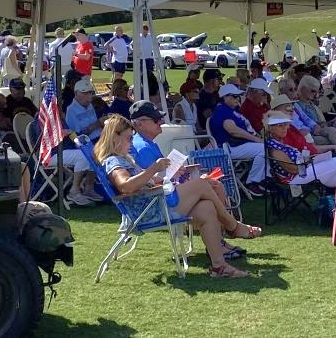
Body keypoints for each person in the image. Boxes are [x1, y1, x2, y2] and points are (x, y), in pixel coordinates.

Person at [94, 114, 260, 278]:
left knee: (206, 207)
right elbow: (126, 186)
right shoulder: (113, 161)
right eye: (129, 138)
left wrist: (168, 177)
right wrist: (154, 168)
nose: (131, 143)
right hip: (149, 211)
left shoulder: (124, 159)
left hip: (154, 205)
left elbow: (146, 182)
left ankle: (219, 266)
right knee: (202, 184)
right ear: (114, 137)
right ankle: (233, 226)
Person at [208, 83, 269, 196]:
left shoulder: (232, 110)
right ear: (225, 97)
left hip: (237, 145)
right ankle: (253, 183)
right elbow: (232, 130)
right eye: (234, 96)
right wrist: (256, 139)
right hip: (229, 147)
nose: (238, 98)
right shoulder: (222, 111)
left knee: (269, 147)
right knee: (265, 149)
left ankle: (264, 180)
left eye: (238, 96)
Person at [266, 110, 336, 187]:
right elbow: (293, 169)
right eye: (280, 125)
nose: (284, 128)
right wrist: (308, 162)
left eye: (285, 125)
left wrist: (311, 159)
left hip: (304, 169)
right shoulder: (274, 148)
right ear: (270, 128)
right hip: (295, 177)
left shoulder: (281, 142)